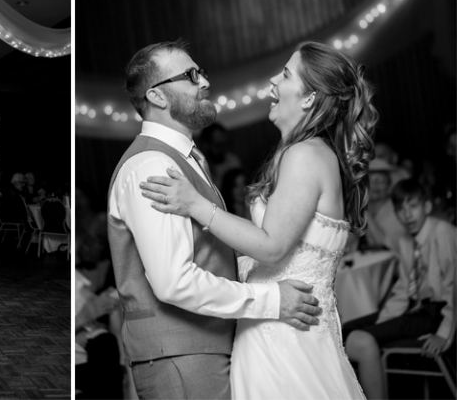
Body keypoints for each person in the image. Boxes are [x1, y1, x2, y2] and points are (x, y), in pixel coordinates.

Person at [109, 39, 325, 400]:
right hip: (182, 356)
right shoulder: (152, 165)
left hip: (201, 349)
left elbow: (206, 254)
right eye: (191, 76)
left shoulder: (182, 158)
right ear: (157, 97)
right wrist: (271, 299)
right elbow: (174, 282)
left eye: (202, 73)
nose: (205, 82)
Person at [343, 179, 457, 400]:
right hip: (414, 308)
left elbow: (453, 290)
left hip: (437, 313)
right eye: (401, 209)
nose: (407, 215)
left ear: (426, 206)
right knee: (347, 328)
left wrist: (443, 334)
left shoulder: (443, 233)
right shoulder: (405, 241)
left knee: (360, 338)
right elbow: (403, 290)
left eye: (413, 206)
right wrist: (383, 322)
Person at [363, 158, 406, 253]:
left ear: (389, 187)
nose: (375, 185)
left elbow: (385, 245)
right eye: (371, 180)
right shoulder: (365, 207)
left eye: (381, 181)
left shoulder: (397, 210)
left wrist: (365, 213)